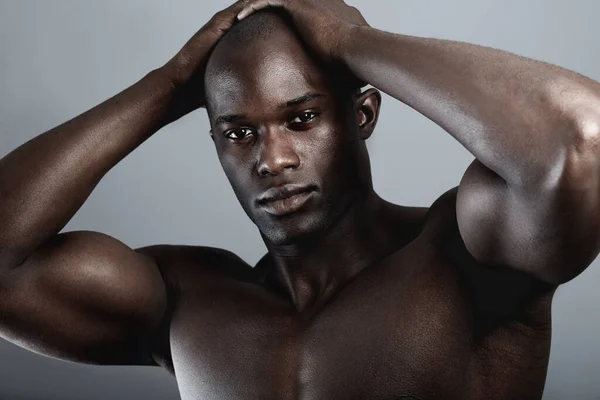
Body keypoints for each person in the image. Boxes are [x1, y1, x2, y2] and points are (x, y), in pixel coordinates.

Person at [1, 0, 599, 398]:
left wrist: (348, 41)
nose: (272, 159)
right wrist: (169, 85)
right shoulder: (188, 302)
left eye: (303, 118)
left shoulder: (465, 256)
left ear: (360, 115)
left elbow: (579, 142)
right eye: (239, 132)